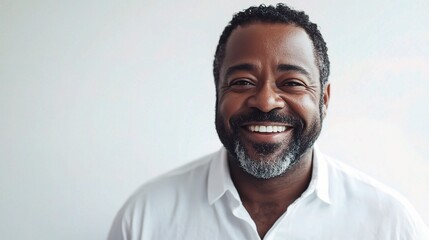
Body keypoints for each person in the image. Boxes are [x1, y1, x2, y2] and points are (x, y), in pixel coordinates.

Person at [108, 4, 429, 239]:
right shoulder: (146, 218)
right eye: (243, 82)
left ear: (324, 99)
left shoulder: (390, 224)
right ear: (217, 93)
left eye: (291, 83)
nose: (265, 101)